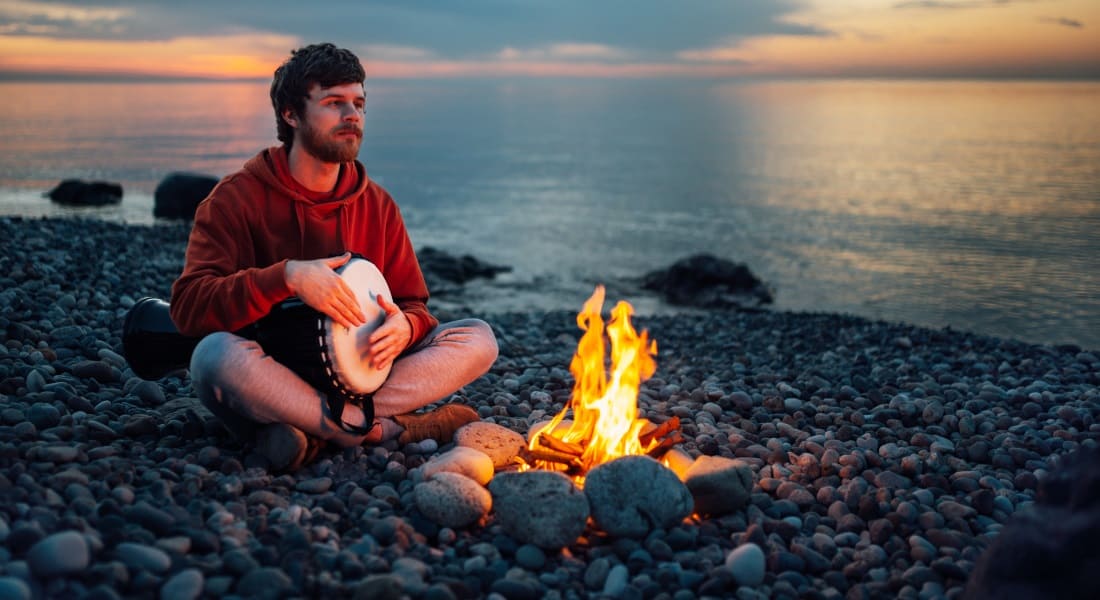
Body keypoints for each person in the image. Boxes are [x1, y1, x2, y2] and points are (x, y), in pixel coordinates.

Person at [170, 42, 498, 471]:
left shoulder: (377, 205)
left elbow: (414, 303)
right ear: (291, 114)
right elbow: (189, 308)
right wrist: (285, 277)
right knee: (212, 357)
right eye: (334, 103)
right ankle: (386, 429)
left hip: (364, 374)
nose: (352, 116)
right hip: (275, 371)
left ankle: (308, 428)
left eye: (359, 104)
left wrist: (405, 325)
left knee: (478, 338)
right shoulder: (235, 199)